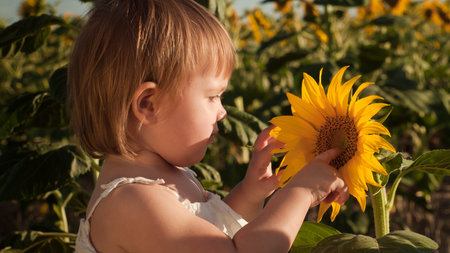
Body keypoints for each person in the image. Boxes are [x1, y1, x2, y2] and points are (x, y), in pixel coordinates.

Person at [68, 0, 349, 252]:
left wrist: (249, 193)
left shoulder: (170, 178)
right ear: (148, 105)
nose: (223, 112)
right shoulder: (133, 203)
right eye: (213, 96)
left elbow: (218, 233)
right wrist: (299, 193)